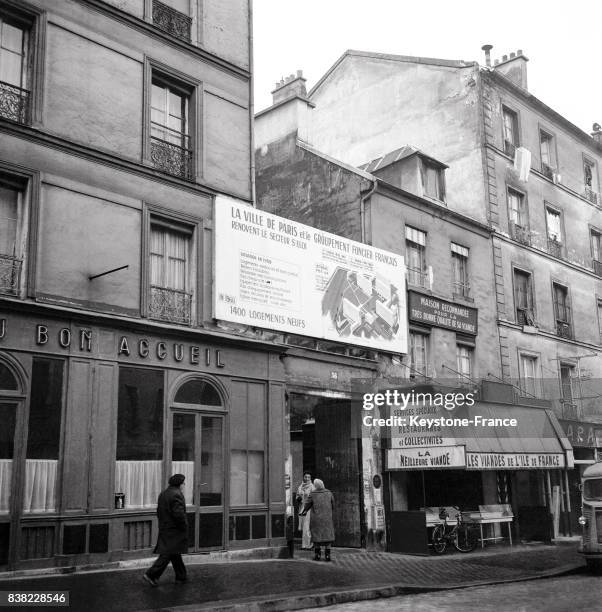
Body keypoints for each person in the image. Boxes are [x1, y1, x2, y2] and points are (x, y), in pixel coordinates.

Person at [143, 474, 188, 586]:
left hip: (165, 527)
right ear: (179, 484)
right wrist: (184, 526)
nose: (184, 485)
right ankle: (151, 574)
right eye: (183, 483)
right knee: (168, 553)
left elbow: (159, 511)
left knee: (174, 552)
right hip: (174, 529)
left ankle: (181, 577)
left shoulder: (164, 493)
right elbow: (178, 515)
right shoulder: (176, 495)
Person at [300, 478, 334, 561]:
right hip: (327, 518)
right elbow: (333, 504)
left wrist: (304, 511)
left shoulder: (313, 494)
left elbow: (307, 505)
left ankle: (317, 555)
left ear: (315, 486)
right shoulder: (329, 493)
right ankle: (327, 555)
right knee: (328, 536)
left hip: (316, 518)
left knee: (316, 536)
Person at [296, 472, 314, 549]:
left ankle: (307, 545)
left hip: (308, 508)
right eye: (305, 477)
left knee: (306, 526)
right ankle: (306, 544)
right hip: (301, 508)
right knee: (303, 526)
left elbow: (313, 498)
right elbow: (297, 496)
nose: (306, 479)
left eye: (308, 477)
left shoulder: (312, 487)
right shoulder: (300, 486)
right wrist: (298, 498)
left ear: (310, 478)